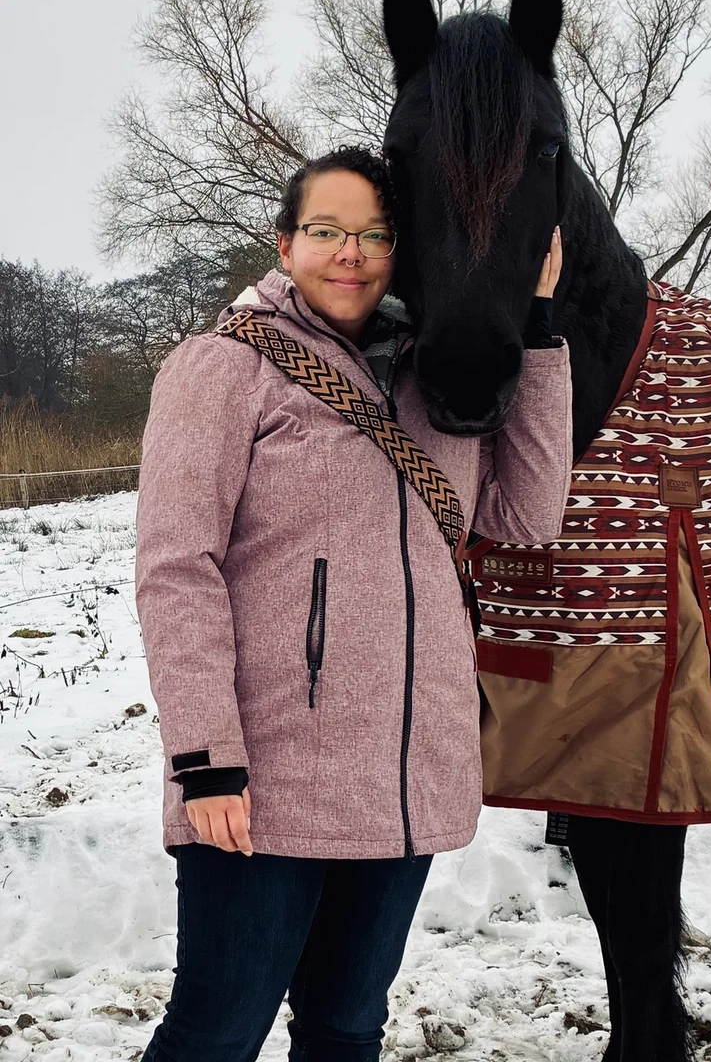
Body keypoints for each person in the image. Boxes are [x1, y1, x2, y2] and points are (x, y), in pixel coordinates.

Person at [135, 144, 572, 1062]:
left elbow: (527, 514)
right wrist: (205, 760)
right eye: (327, 230)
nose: (351, 253)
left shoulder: (434, 375)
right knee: (216, 1035)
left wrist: (531, 326)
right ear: (285, 241)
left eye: (375, 235)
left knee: (345, 1029)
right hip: (264, 786)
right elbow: (178, 569)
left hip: (402, 778)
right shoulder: (222, 367)